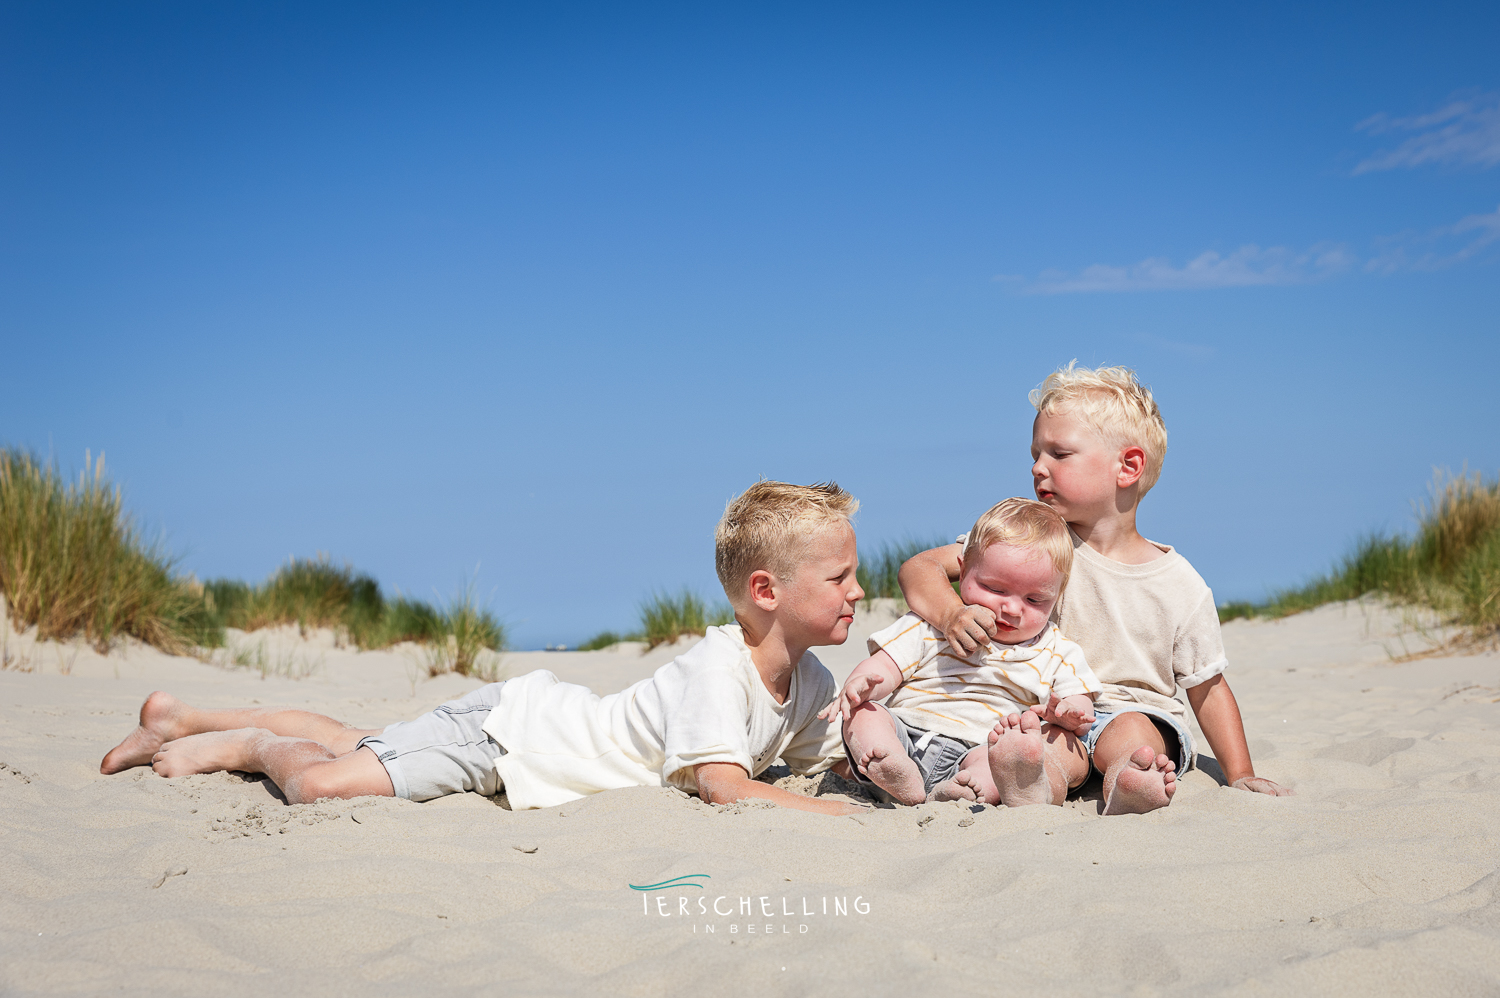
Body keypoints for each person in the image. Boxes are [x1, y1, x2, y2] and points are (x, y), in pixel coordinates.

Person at [100, 481, 868, 816]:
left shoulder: (809, 681)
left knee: (356, 741)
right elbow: (728, 788)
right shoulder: (715, 667)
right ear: (766, 591)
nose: (857, 593)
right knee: (324, 787)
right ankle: (247, 742)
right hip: (507, 737)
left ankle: (181, 714)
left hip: (522, 748)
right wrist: (834, 821)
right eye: (840, 578)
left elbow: (816, 765)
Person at [900, 364, 1292, 815]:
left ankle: (1130, 782)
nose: (1036, 467)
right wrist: (952, 614)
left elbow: (1208, 688)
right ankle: (1033, 790)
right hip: (1053, 712)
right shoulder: (1035, 547)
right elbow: (921, 567)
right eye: (1035, 452)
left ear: (1127, 466)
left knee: (1131, 733)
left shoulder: (1180, 584)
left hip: (1136, 712)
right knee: (1042, 749)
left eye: (1059, 454)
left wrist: (1240, 772)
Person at [821, 498, 1099, 807]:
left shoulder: (1057, 651)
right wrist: (863, 681)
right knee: (864, 715)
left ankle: (964, 791)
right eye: (995, 589)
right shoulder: (929, 626)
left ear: (1057, 597)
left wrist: (1069, 712)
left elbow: (1080, 703)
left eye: (1035, 600)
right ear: (963, 570)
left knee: (1007, 756)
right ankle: (893, 767)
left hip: (981, 747)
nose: (1012, 608)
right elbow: (885, 666)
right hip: (906, 734)